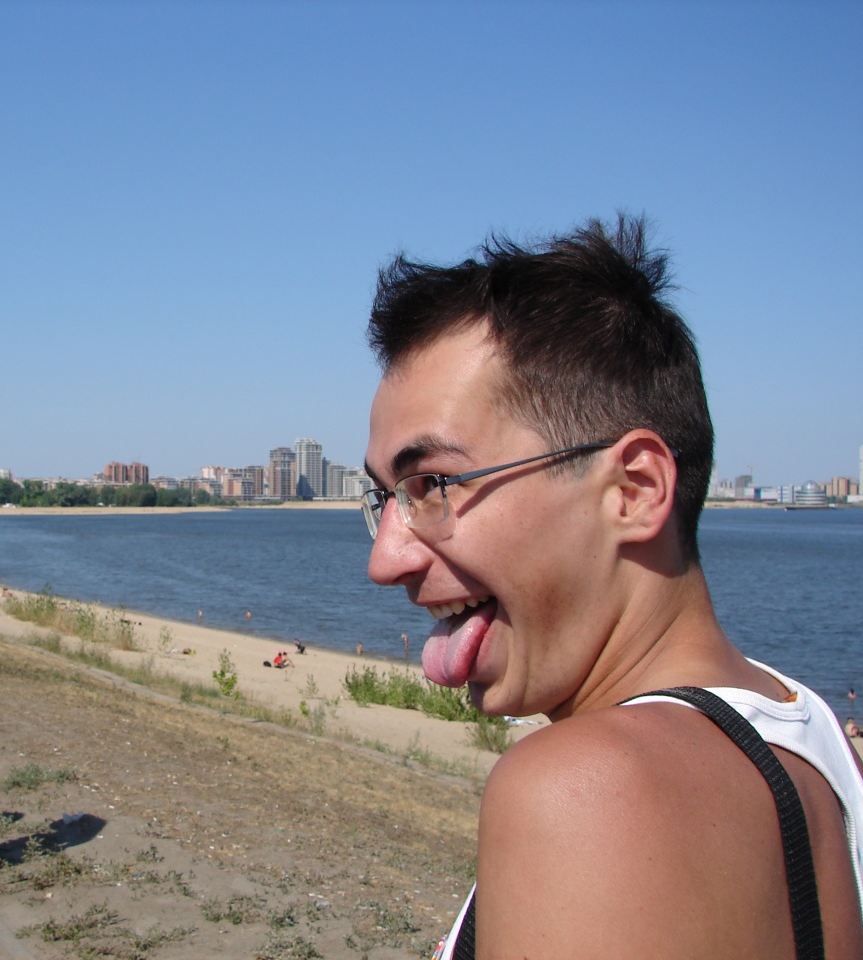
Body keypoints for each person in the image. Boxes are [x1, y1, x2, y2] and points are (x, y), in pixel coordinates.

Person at [360, 216, 863, 958]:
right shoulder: (810, 730)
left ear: (633, 490)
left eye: (432, 484)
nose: (385, 560)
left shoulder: (584, 791)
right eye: (385, 498)